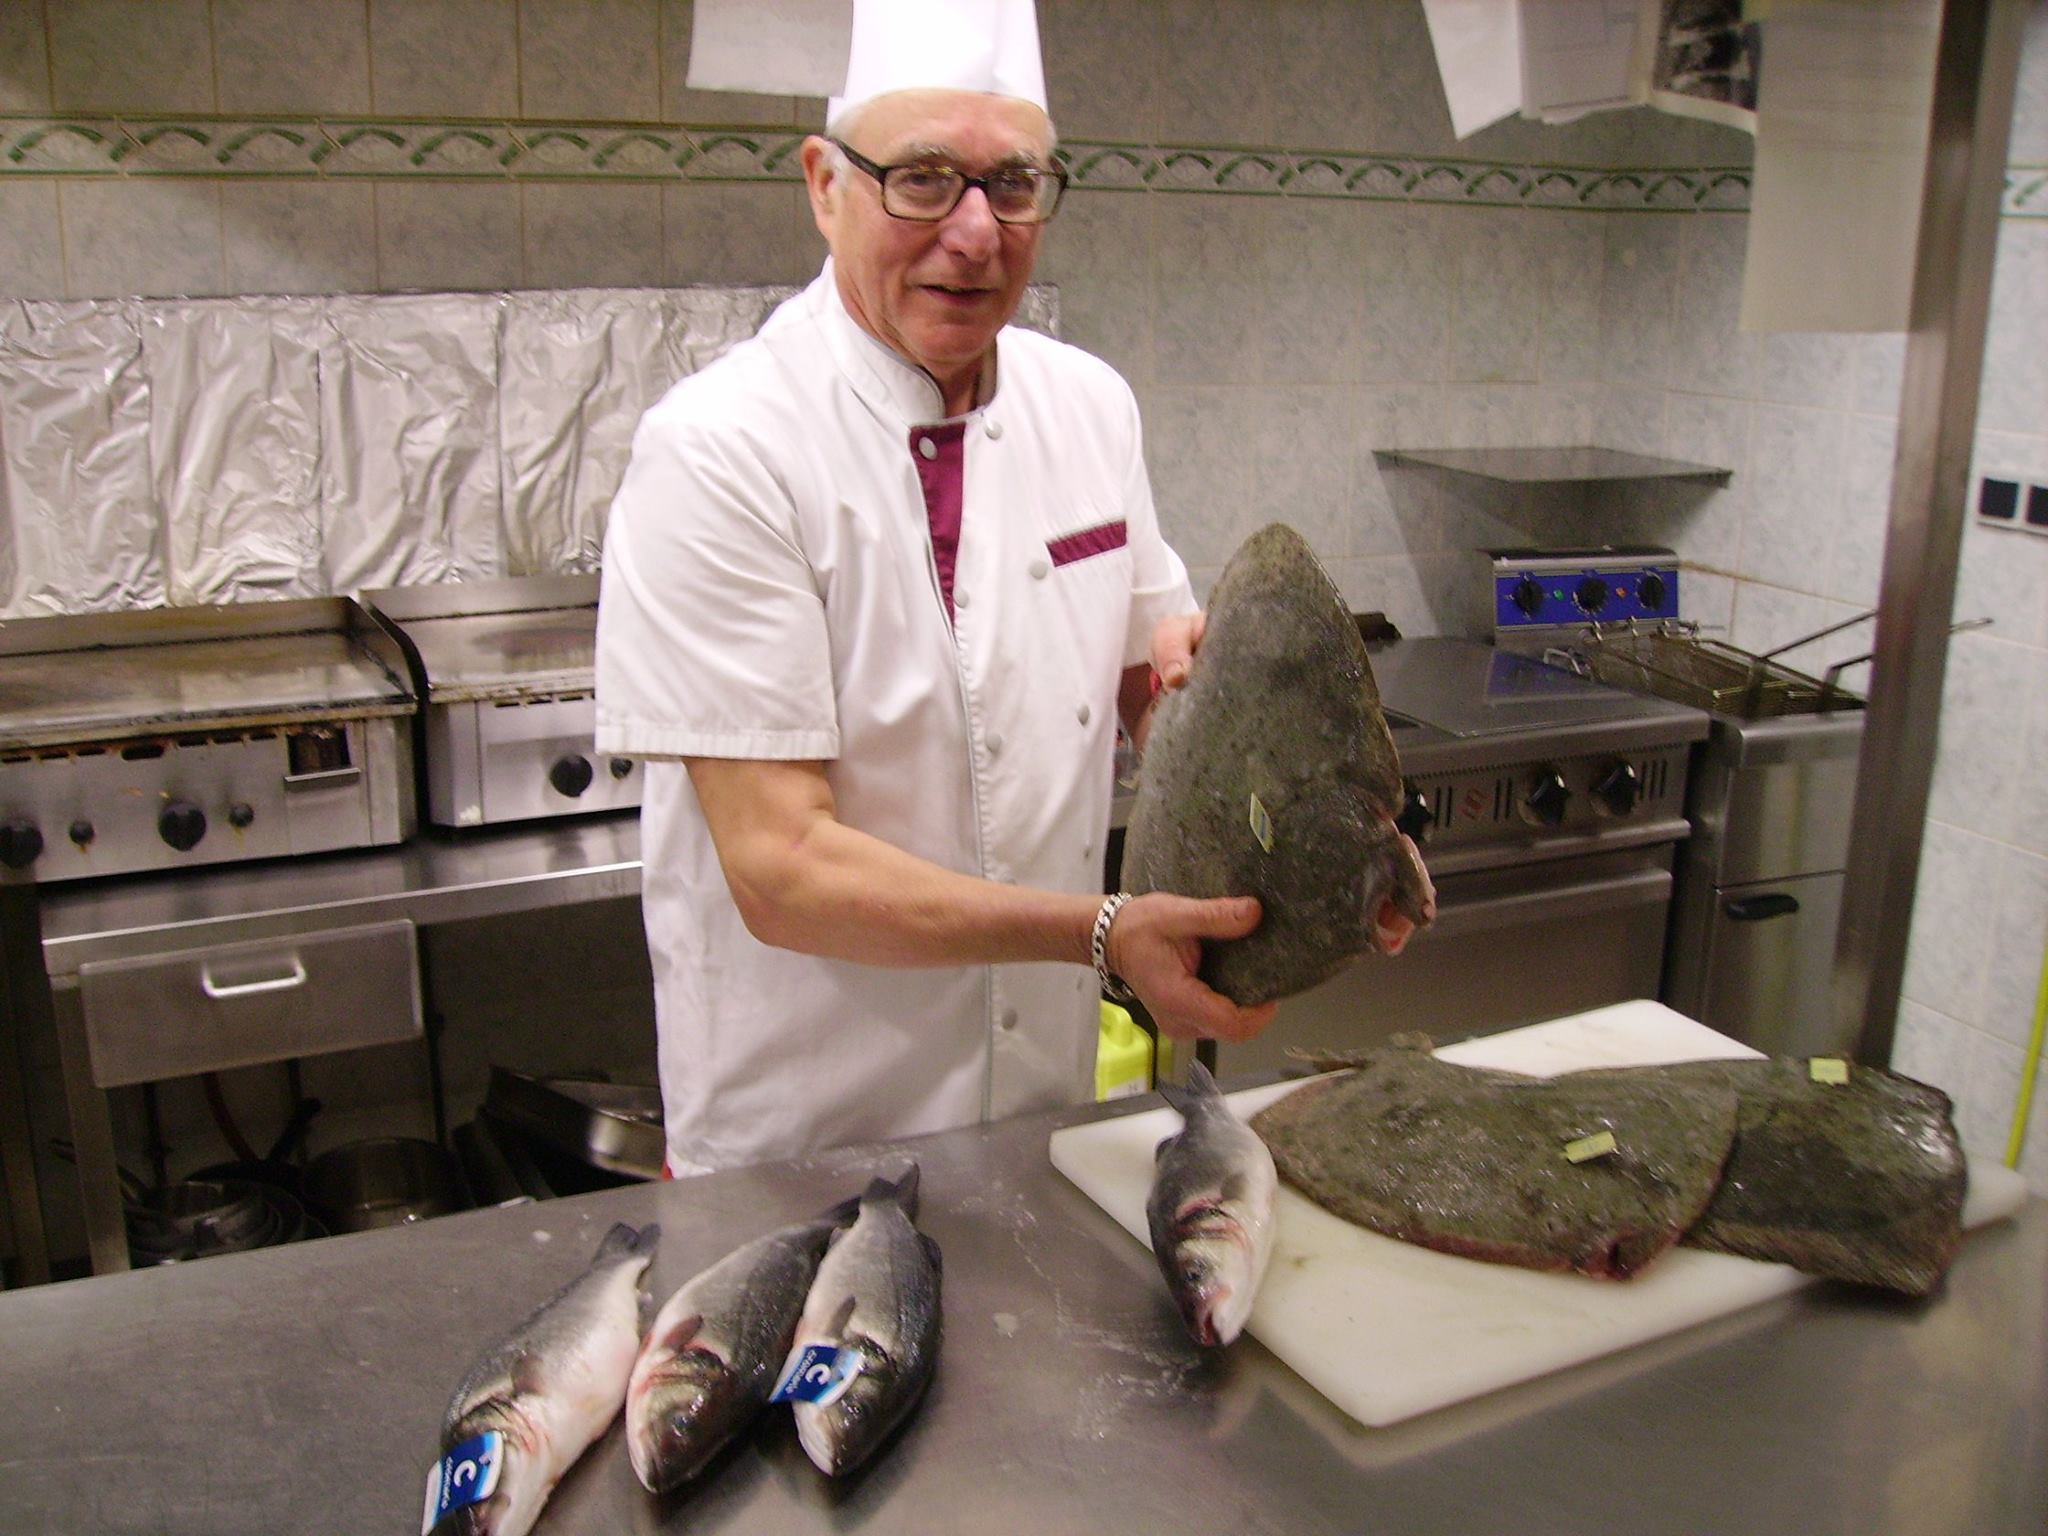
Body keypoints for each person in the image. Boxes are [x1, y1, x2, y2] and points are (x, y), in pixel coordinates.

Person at [597, 1, 1389, 1178]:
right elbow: (782, 871)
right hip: (805, 1143)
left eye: (1013, 184)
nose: (974, 233)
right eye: (921, 179)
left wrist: (1298, 825)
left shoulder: (1089, 408)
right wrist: (1102, 933)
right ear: (824, 185)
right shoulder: (720, 450)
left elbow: (1153, 684)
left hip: (1036, 1118)